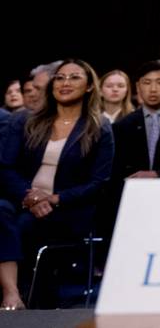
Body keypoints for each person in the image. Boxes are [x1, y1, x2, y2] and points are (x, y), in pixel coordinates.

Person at [0, 59, 113, 310]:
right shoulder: (26, 121)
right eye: (60, 77)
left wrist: (54, 199)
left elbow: (99, 182)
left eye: (74, 77)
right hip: (23, 199)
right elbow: (6, 167)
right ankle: (12, 293)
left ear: (89, 87)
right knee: (1, 212)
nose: (65, 83)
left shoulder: (99, 128)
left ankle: (23, 298)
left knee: (24, 225)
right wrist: (30, 197)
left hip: (68, 207)